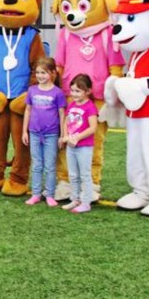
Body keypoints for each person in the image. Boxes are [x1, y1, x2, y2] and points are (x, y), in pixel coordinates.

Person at [21, 57, 66, 207]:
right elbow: (28, 110)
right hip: (34, 133)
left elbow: (61, 114)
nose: (40, 76)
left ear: (53, 73)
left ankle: (50, 194)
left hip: (51, 135)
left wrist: (62, 135)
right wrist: (24, 131)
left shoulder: (57, 93)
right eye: (38, 72)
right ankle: (35, 194)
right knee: (37, 165)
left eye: (44, 73)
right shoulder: (32, 90)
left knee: (50, 166)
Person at [60, 74, 98, 214]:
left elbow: (92, 128)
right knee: (73, 174)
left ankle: (86, 202)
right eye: (72, 90)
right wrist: (65, 135)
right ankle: (75, 199)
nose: (74, 94)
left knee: (85, 175)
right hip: (71, 146)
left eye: (78, 91)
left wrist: (77, 137)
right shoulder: (72, 105)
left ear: (87, 91)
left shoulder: (90, 107)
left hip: (84, 147)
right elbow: (66, 121)